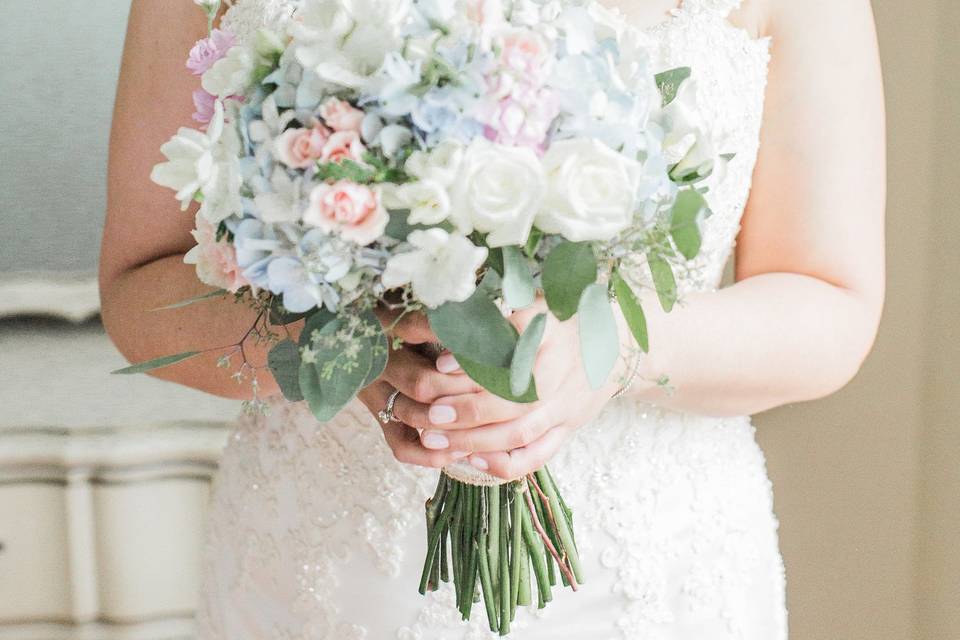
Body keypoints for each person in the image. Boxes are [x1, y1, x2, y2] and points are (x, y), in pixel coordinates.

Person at [100, 0, 885, 637]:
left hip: (650, 582)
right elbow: (141, 287)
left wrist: (605, 354)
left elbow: (827, 299)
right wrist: (339, 346)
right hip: (319, 580)